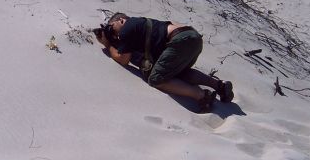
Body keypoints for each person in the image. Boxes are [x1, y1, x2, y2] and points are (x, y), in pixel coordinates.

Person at [95, 12, 234, 112]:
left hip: (180, 40)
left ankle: (202, 96)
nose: (115, 35)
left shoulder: (128, 27)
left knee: (156, 79)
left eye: (111, 28)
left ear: (120, 20)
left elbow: (123, 59)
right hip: (192, 38)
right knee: (177, 74)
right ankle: (219, 85)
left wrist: (108, 44)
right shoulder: (140, 25)